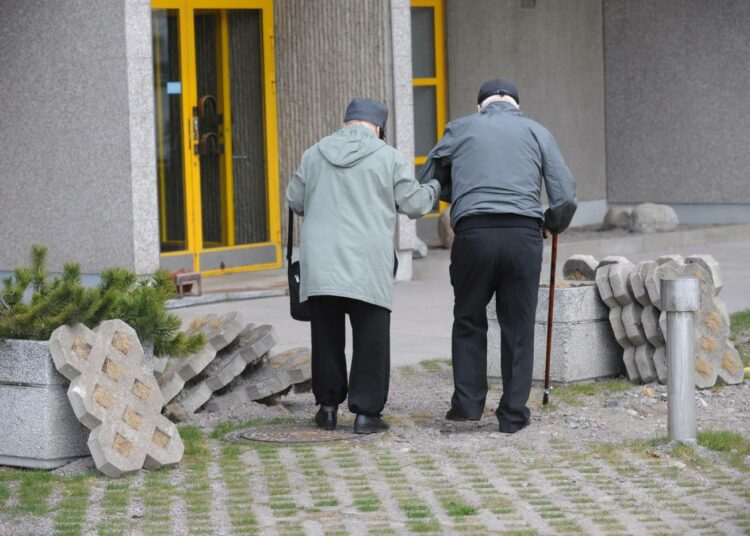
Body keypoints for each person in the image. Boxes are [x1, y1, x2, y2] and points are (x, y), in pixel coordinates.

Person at [419, 79, 578, 433]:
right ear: (517, 106)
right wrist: (551, 223)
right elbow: (565, 197)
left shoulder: (459, 128)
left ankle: (468, 406)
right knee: (518, 325)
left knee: (468, 318)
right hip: (523, 236)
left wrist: (459, 191)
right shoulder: (537, 132)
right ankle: (512, 415)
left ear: (481, 107)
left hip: (474, 235)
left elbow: (428, 178)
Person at [287, 98, 444, 434]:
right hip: (367, 263)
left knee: (326, 338)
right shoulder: (388, 157)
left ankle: (327, 408)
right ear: (378, 128)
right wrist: (434, 186)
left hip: (322, 264)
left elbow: (295, 200)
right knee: (371, 339)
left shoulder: (314, 153)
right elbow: (415, 204)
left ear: (346, 123)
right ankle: (365, 414)